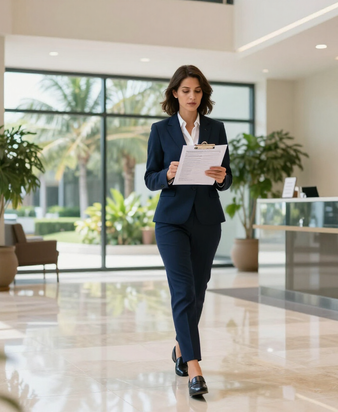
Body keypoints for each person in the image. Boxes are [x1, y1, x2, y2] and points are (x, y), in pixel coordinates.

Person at [144, 65, 232, 397]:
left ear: (203, 95)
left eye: (197, 91)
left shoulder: (216, 128)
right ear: (174, 94)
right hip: (171, 221)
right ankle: (194, 367)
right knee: (182, 290)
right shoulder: (160, 130)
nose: (192, 96)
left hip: (208, 219)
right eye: (185, 91)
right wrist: (167, 174)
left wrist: (222, 176)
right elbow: (150, 178)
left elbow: (228, 178)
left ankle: (181, 348)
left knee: (198, 290)